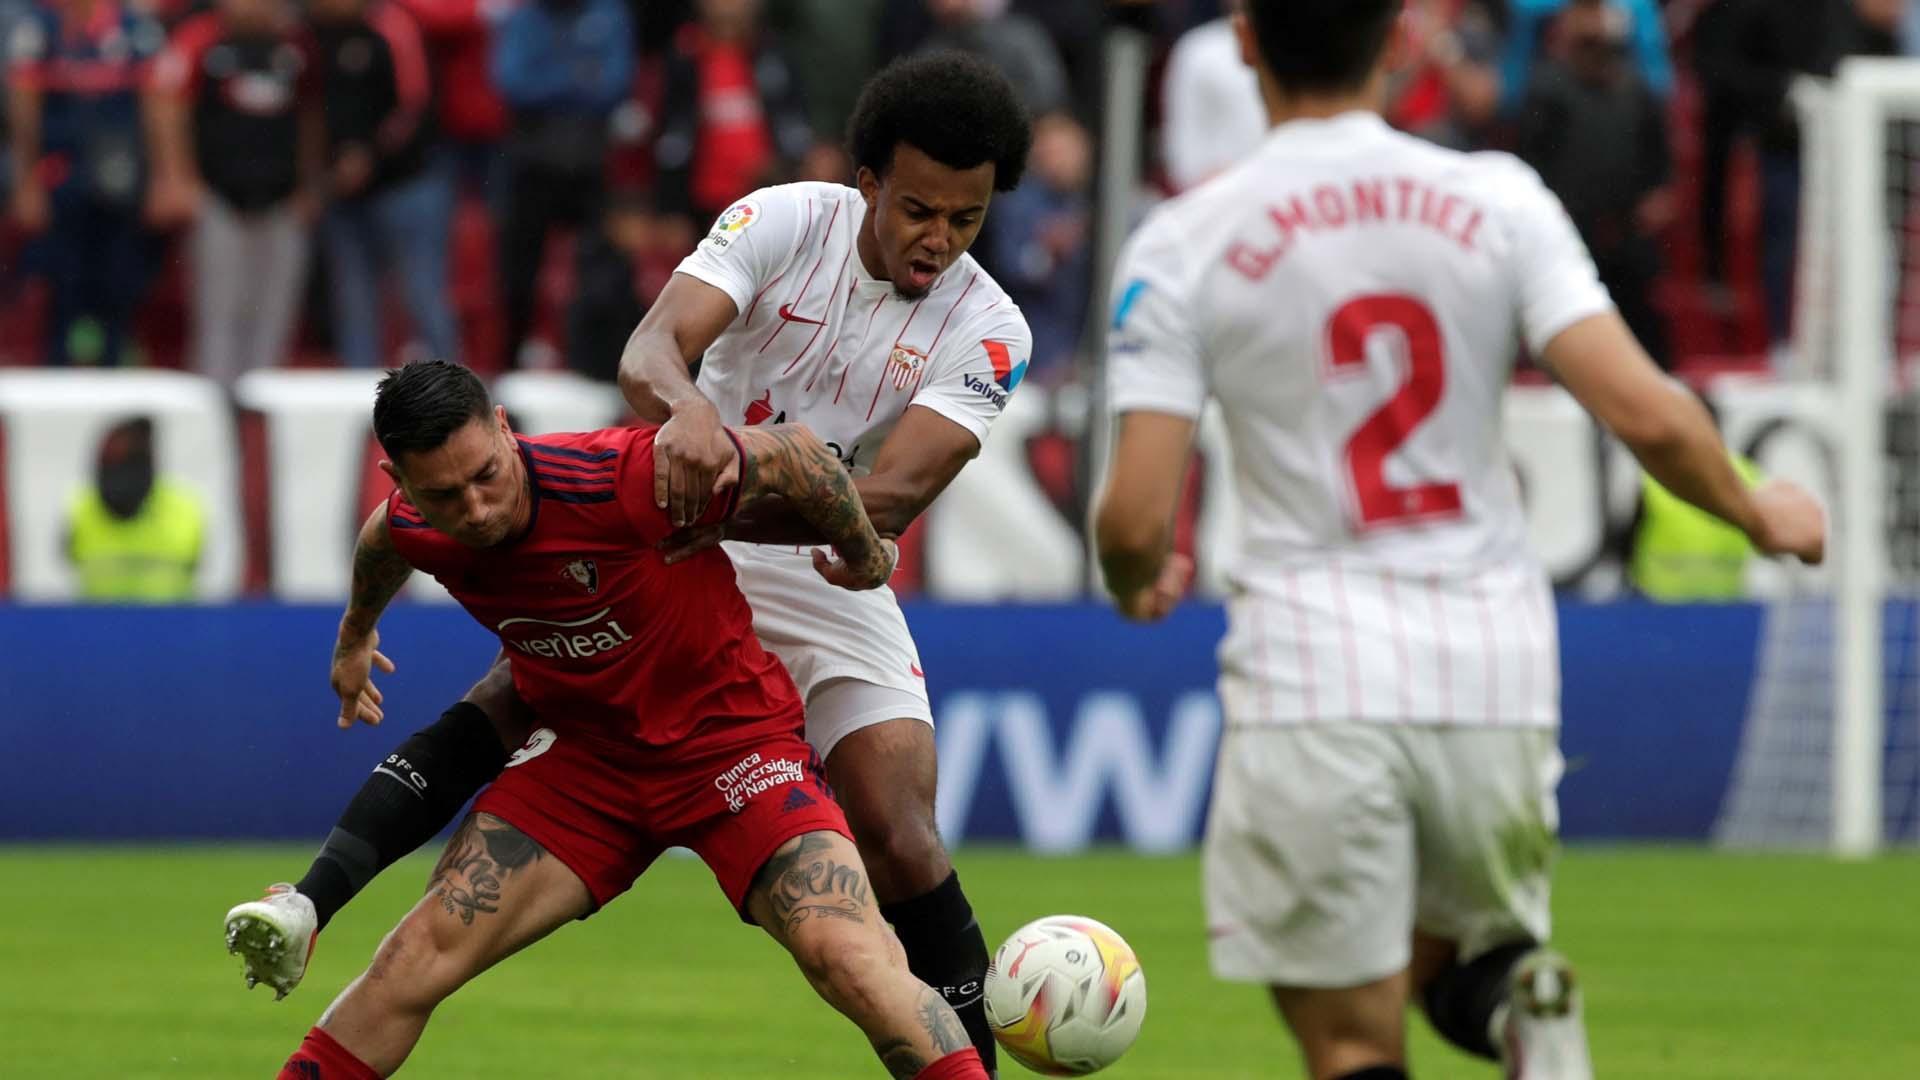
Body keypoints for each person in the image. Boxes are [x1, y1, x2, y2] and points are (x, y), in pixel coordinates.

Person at [225, 50, 1033, 1075]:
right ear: (865, 181)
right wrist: (692, 425)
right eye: (919, 210)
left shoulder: (992, 325)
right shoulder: (786, 220)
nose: (939, 241)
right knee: (525, 690)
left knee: (898, 829)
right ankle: (312, 897)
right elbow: (651, 353)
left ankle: (976, 1062)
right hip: (666, 513)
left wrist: (729, 487)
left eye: (966, 221)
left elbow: (893, 499)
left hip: (821, 553)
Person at [1090, 4, 1828, 1080]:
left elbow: (1134, 515)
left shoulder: (1184, 239)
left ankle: (1509, 1013)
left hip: (1317, 673)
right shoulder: (1496, 199)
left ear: (1245, 39)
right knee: (1453, 960)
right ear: (1396, 37)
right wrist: (1759, 509)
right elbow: (1647, 411)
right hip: (1497, 671)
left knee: (1351, 1034)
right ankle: (1518, 1016)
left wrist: (1135, 577)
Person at [255, 360, 988, 1080]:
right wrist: (356, 635)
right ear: (401, 481)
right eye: (445, 495)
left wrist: (863, 554)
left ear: (506, 431)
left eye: (486, 476)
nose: (476, 510)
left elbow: (798, 454)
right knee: (410, 964)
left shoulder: (615, 475)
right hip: (585, 769)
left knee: (850, 960)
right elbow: (385, 540)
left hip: (732, 749)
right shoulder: (418, 522)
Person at [147, 0, 325, 384]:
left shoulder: (297, 47)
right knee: (218, 311)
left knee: (275, 311)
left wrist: (309, 184)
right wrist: (176, 177)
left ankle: (262, 407)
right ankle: (215, 403)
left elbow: (313, 115)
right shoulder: (199, 40)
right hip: (218, 196)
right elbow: (165, 103)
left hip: (282, 199)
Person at [65, 416, 205, 602]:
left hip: (173, 626)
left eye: (135, 460)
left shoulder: (186, 509)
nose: (125, 475)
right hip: (99, 626)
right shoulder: (79, 508)